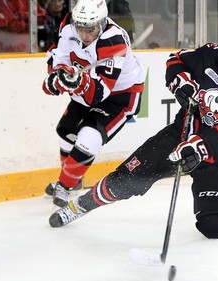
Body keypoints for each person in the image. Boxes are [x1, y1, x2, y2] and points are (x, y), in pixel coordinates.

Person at [48, 26, 218, 240]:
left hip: (216, 156)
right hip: (178, 136)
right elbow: (176, 60)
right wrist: (181, 83)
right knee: (125, 179)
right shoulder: (212, 54)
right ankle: (80, 206)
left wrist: (198, 147)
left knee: (215, 228)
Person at [42, 0, 145, 207]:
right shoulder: (69, 24)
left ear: (102, 22)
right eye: (80, 28)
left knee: (89, 136)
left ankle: (65, 184)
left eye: (90, 30)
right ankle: (73, 179)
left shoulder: (113, 40)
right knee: (66, 131)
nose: (84, 35)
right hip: (89, 83)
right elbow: (60, 56)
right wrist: (58, 76)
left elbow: (98, 94)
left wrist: (76, 82)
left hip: (120, 95)